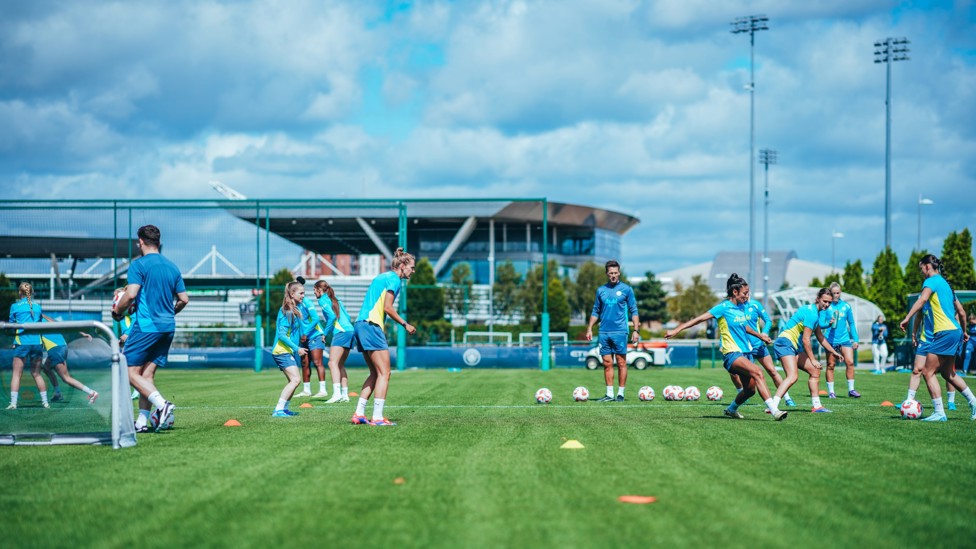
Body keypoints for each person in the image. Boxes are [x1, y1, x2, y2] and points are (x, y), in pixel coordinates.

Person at [666, 274, 786, 420]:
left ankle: (731, 409)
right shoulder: (723, 308)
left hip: (746, 352)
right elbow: (698, 319)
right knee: (758, 372)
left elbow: (744, 326)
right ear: (735, 292)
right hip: (731, 353)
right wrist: (676, 330)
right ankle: (775, 411)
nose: (747, 296)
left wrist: (760, 335)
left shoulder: (741, 307)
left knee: (750, 390)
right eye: (745, 293)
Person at [112, 225, 189, 433]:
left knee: (127, 372)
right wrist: (170, 313)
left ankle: (163, 405)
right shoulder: (172, 267)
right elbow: (184, 299)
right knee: (146, 375)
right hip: (167, 327)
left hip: (147, 326)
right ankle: (141, 423)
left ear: (141, 242)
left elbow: (130, 294)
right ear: (158, 242)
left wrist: (117, 312)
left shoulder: (139, 265)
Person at [899, 255, 974, 421]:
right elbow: (961, 312)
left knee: (928, 371)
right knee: (948, 373)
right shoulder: (947, 285)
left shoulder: (931, 281)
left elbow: (922, 300)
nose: (922, 273)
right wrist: (964, 331)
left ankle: (940, 412)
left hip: (944, 332)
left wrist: (907, 318)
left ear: (927, 267)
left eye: (921, 269)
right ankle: (974, 403)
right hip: (954, 331)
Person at [351, 248, 417, 426]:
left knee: (375, 373)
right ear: (402, 266)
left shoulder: (383, 276)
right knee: (385, 373)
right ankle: (378, 417)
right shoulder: (394, 280)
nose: (413, 270)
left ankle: (359, 413)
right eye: (411, 267)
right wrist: (405, 324)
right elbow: (388, 307)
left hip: (360, 324)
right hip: (371, 326)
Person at [769, 288, 844, 413]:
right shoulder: (812, 314)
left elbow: (820, 337)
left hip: (792, 345)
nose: (826, 304)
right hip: (785, 342)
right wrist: (813, 359)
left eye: (829, 302)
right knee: (793, 376)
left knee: (815, 370)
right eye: (824, 301)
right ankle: (773, 406)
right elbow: (806, 340)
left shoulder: (814, 312)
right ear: (818, 299)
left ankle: (817, 406)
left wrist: (834, 352)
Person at [585, 260, 639, 402]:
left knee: (621, 363)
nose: (613, 276)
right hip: (604, 332)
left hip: (620, 331)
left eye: (615, 273)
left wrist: (636, 330)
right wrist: (590, 328)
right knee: (607, 363)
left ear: (619, 273)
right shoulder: (600, 290)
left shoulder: (627, 289)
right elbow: (595, 310)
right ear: (607, 274)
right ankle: (609, 394)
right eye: (611, 273)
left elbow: (634, 310)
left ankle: (620, 394)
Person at [743, 296, 796, 407]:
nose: (746, 295)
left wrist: (765, 332)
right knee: (749, 376)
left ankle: (787, 398)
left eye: (748, 292)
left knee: (772, 371)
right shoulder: (735, 308)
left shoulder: (755, 305)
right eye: (744, 292)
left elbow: (768, 320)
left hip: (758, 345)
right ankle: (742, 395)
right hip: (744, 347)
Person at [7, 282, 48, 409]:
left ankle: (13, 403)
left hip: (22, 343)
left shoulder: (15, 306)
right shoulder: (37, 307)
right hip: (37, 343)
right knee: (37, 374)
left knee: (16, 374)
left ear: (20, 292)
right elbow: (40, 325)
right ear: (32, 292)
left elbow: (11, 327)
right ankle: (45, 402)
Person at [39, 314, 98, 404]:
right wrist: (83, 333)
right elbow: (65, 326)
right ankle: (57, 394)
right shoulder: (45, 318)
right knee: (46, 368)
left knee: (66, 378)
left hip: (55, 349)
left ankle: (92, 392)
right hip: (61, 346)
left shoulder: (35, 320)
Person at [269, 281, 307, 417]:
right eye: (300, 293)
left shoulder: (295, 309)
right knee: (296, 380)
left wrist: (301, 337)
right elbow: (281, 335)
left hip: (286, 350)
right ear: (292, 294)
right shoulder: (287, 311)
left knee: (293, 381)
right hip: (281, 351)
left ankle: (284, 409)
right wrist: (297, 348)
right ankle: (278, 410)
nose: (303, 295)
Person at [314, 279, 355, 404]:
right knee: (339, 364)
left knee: (332, 363)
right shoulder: (336, 300)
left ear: (319, 290)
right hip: (350, 331)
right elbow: (347, 317)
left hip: (341, 332)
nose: (314, 294)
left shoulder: (322, 300)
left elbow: (331, 317)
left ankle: (336, 394)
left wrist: (325, 333)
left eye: (315, 291)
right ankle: (345, 395)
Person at [822, 282, 861, 398]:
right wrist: (827, 324)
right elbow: (821, 323)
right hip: (830, 340)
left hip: (845, 339)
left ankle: (851, 390)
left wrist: (856, 340)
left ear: (841, 293)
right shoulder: (826, 307)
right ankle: (831, 392)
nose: (836, 295)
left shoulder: (846, 306)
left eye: (838, 293)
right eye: (833, 293)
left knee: (850, 362)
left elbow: (852, 323)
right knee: (831, 365)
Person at [293, 276, 329, 398]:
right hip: (304, 338)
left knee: (317, 362)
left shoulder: (307, 302)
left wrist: (305, 333)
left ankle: (323, 390)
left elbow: (315, 319)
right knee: (304, 363)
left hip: (315, 335)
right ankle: (306, 390)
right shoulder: (293, 305)